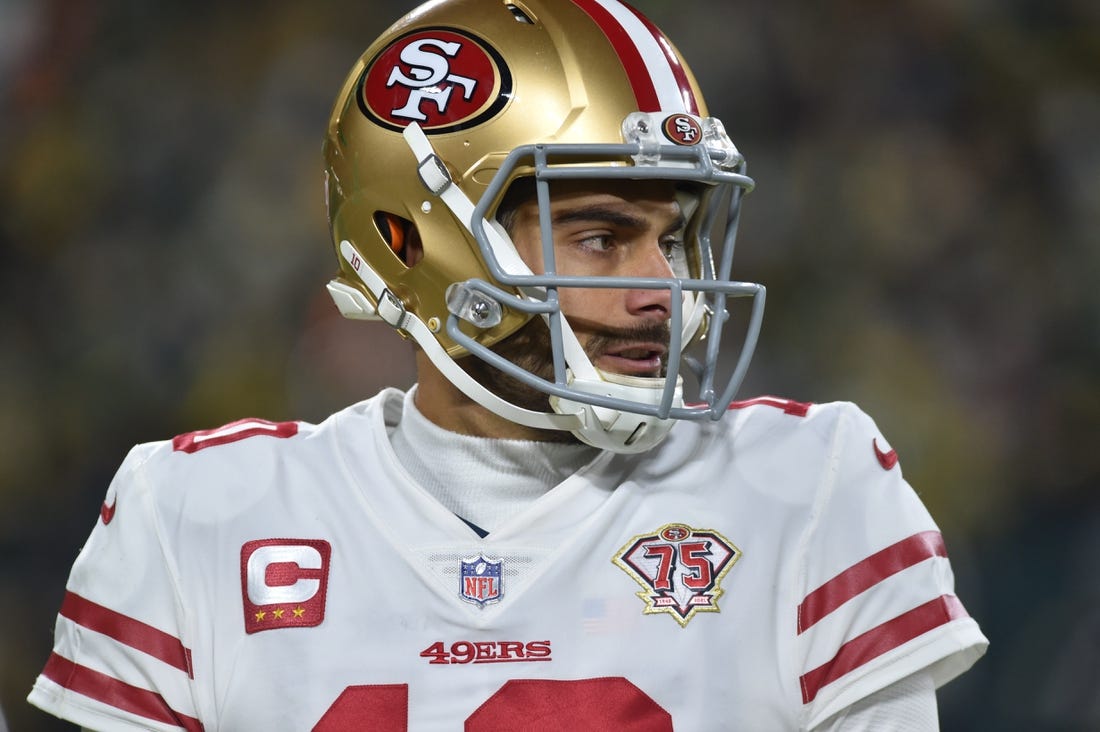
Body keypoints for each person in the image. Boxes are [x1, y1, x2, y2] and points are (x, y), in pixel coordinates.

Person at [28, 0, 987, 729]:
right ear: (416, 240)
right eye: (603, 238)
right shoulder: (193, 516)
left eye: (676, 236)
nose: (664, 289)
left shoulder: (810, 489)